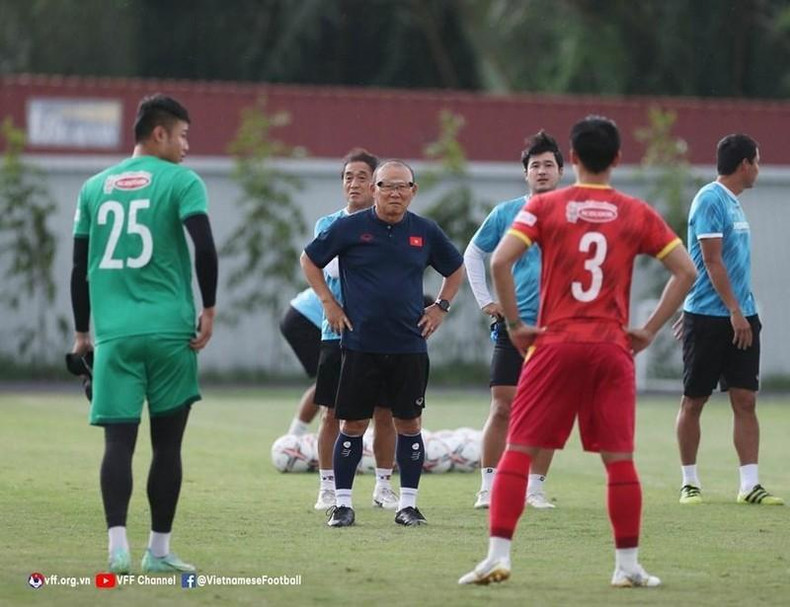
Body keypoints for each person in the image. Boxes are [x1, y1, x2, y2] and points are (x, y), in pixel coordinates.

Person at [459, 115, 696, 588]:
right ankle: (626, 566)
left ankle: (497, 556)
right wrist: (647, 330)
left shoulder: (546, 208)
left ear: (572, 158)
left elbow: (500, 260)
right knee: (619, 460)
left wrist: (514, 324)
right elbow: (686, 272)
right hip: (610, 346)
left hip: (554, 341)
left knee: (519, 449)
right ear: (617, 159)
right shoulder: (635, 211)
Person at [69, 94, 218, 574]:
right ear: (159, 134)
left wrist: (81, 334)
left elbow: (78, 268)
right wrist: (209, 310)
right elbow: (205, 248)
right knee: (167, 446)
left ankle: (117, 547)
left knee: (118, 444)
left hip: (113, 336)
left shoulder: (93, 188)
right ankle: (159, 551)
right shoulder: (181, 181)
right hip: (171, 333)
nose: (187, 146)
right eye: (183, 135)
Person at [301, 159, 465, 527]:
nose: (394, 192)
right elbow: (309, 260)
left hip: (409, 346)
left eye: (401, 186)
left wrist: (440, 307)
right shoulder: (349, 228)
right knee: (352, 425)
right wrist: (329, 302)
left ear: (413, 191)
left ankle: (407, 504)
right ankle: (341, 504)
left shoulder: (425, 231)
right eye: (386, 185)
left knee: (409, 424)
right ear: (374, 189)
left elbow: (455, 268)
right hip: (360, 344)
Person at [674, 134, 784, 506]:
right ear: (744, 165)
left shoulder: (735, 204)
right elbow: (711, 260)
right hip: (710, 317)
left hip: (742, 314)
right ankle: (689, 482)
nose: (759, 168)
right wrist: (732, 312)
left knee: (745, 399)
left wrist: (743, 312)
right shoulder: (709, 199)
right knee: (694, 401)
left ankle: (749, 485)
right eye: (757, 161)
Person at [464, 130, 562, 510]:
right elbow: (473, 254)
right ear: (525, 173)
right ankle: (488, 488)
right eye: (535, 165)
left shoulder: (571, 212)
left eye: (548, 165)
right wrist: (487, 301)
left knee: (549, 410)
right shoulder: (506, 213)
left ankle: (534, 489)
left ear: (560, 172)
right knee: (503, 405)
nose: (541, 171)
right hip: (514, 325)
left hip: (558, 328)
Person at [311, 148, 399, 512]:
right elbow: (327, 267)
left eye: (362, 177)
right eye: (348, 177)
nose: (354, 184)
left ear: (376, 183)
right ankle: (327, 487)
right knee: (332, 413)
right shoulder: (328, 225)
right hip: (338, 333)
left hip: (382, 334)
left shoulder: (392, 225)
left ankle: (383, 485)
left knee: (384, 412)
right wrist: (331, 303)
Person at [280, 287, 323, 436]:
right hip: (305, 318)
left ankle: (294, 437)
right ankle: (294, 439)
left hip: (301, 314)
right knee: (332, 383)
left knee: (332, 383)